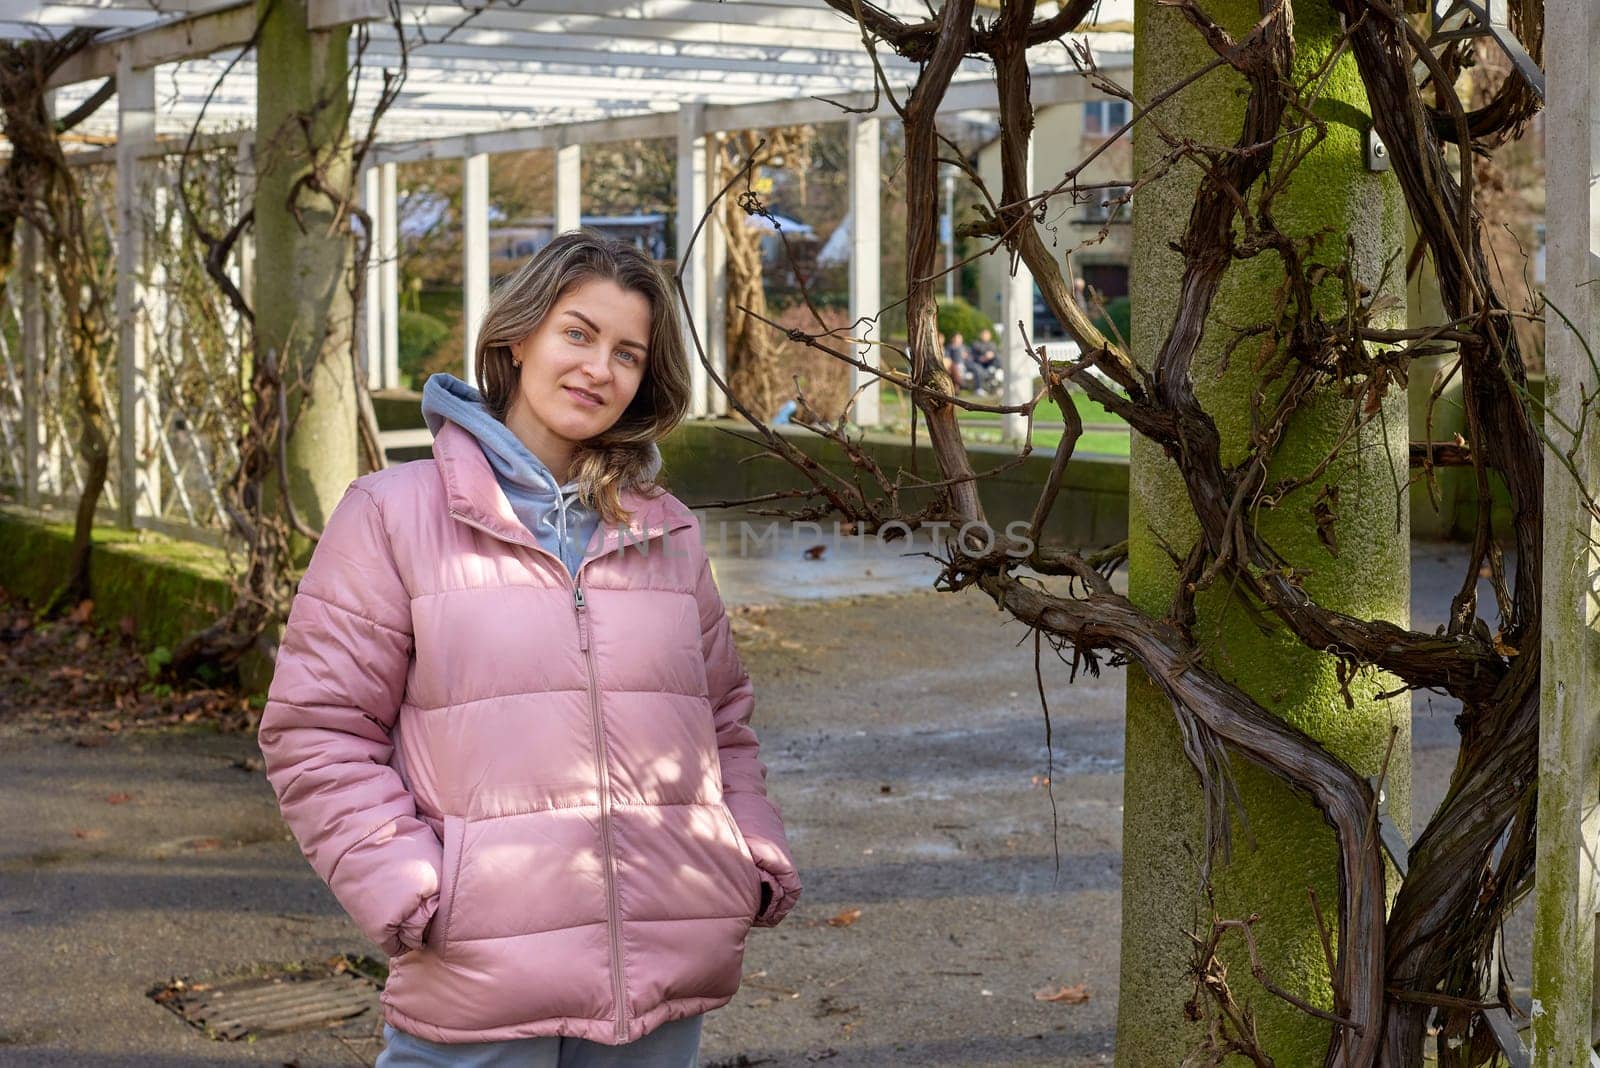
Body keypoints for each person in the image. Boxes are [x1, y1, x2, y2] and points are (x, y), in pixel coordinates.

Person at [257, 231, 800, 1067]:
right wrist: (412, 887)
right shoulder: (392, 513)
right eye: (577, 334)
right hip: (478, 980)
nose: (599, 369)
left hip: (661, 979)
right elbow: (318, 729)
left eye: (627, 352)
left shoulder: (667, 530)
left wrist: (747, 856)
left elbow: (722, 724)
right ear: (518, 339)